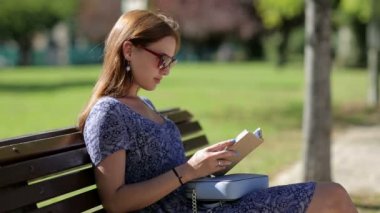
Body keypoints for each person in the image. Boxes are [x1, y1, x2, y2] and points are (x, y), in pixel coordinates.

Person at [78, 10, 358, 213]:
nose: (166, 70)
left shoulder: (145, 106)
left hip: (202, 205)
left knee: (333, 194)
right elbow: (114, 201)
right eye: (161, 59)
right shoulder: (108, 113)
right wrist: (189, 170)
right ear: (128, 50)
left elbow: (170, 174)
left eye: (171, 62)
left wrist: (208, 164)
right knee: (331, 196)